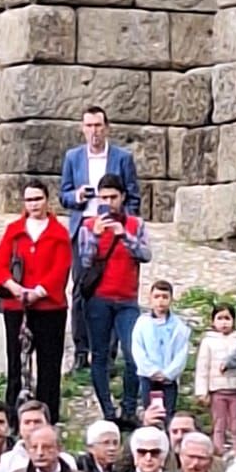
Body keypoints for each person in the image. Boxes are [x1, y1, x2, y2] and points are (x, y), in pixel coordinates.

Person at [0, 179, 72, 428]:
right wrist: (13, 287)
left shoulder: (59, 233)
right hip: (17, 307)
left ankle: (48, 418)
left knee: (49, 366)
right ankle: (14, 419)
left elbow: (61, 267)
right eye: (29, 200)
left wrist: (40, 291)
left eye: (38, 199)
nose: (34, 204)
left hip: (49, 308)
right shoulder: (14, 230)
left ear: (47, 200)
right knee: (16, 363)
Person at [60, 106, 141, 365]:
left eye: (98, 126)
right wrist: (77, 196)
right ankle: (81, 351)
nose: (93, 131)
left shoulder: (122, 158)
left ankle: (108, 352)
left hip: (113, 228)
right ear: (82, 128)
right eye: (89, 126)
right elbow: (64, 194)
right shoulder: (73, 157)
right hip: (85, 226)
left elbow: (133, 194)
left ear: (106, 128)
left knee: (114, 289)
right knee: (81, 288)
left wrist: (124, 222)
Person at [78, 176, 151, 428]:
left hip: (127, 298)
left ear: (122, 197)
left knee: (133, 355)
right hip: (99, 298)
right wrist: (97, 237)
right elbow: (85, 262)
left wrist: (125, 236)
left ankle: (129, 408)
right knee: (99, 355)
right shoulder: (89, 225)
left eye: (113, 197)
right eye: (104, 198)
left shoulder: (135, 224)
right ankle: (108, 411)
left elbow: (145, 254)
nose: (108, 203)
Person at [131, 279, 191, 422]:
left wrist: (168, 373)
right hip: (148, 377)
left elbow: (181, 353)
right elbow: (138, 349)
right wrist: (151, 371)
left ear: (171, 299)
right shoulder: (142, 323)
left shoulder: (179, 326)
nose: (160, 301)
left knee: (168, 414)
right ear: (150, 299)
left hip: (169, 380)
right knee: (150, 413)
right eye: (157, 297)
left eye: (165, 297)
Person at [194, 301, 236, 458]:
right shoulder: (208, 341)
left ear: (234, 321)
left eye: (227, 318)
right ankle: (218, 451)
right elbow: (202, 367)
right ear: (213, 321)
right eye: (220, 318)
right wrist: (201, 391)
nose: (224, 322)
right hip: (217, 390)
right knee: (219, 423)